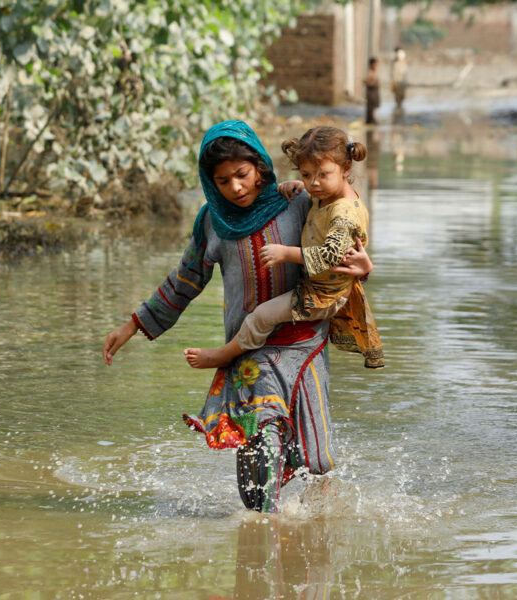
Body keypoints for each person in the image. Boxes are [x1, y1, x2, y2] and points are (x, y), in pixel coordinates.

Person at [101, 121, 372, 513]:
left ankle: (316, 547)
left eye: (242, 175)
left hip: (305, 345)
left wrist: (365, 267)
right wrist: (133, 324)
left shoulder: (300, 202)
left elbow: (342, 254)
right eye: (223, 181)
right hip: (248, 351)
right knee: (260, 457)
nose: (236, 188)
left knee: (318, 463)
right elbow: (185, 279)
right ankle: (261, 541)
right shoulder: (213, 222)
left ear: (261, 167)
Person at [185, 126, 383, 371]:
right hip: (321, 288)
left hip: (322, 294)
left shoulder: (344, 212)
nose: (314, 183)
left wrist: (285, 253)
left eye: (322, 174)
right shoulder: (323, 197)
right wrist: (300, 184)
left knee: (261, 316)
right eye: (307, 175)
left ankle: (224, 355)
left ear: (346, 169)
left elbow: (330, 256)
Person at [391, 47, 409, 114]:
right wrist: (394, 82)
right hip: (398, 82)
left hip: (402, 82)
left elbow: (404, 73)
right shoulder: (396, 64)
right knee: (397, 95)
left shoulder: (403, 64)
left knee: (401, 95)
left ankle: (400, 106)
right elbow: (394, 74)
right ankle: (398, 106)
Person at [364, 57, 380, 125]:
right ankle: (370, 120)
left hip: (374, 91)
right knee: (370, 106)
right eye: (375, 63)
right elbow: (366, 81)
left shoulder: (374, 71)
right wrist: (371, 83)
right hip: (371, 91)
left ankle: (371, 119)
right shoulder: (370, 72)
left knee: (373, 106)